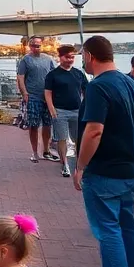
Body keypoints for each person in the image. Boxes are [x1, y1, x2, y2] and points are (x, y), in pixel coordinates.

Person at [72, 36, 134, 267]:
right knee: (127, 225)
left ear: (90, 56)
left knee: (107, 227)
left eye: (83, 55)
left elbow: (94, 130)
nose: (83, 60)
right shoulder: (133, 84)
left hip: (106, 169)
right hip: (132, 167)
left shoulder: (98, 87)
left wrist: (80, 166)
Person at [43, 45, 88, 178]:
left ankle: (80, 165)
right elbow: (48, 93)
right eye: (67, 57)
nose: (70, 60)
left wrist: (86, 107)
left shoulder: (79, 73)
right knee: (61, 138)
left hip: (77, 111)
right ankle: (65, 165)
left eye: (72, 57)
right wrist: (52, 109)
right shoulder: (52, 75)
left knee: (78, 138)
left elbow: (87, 91)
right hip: (60, 111)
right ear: (60, 57)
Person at [15, 38, 57, 163]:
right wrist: (24, 93)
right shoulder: (25, 60)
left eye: (38, 45)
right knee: (33, 126)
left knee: (48, 125)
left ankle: (46, 150)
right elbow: (20, 78)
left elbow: (54, 75)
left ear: (42, 46)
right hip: (32, 97)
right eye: (33, 45)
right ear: (29, 46)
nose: (36, 48)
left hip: (47, 97)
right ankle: (34, 152)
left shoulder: (48, 59)